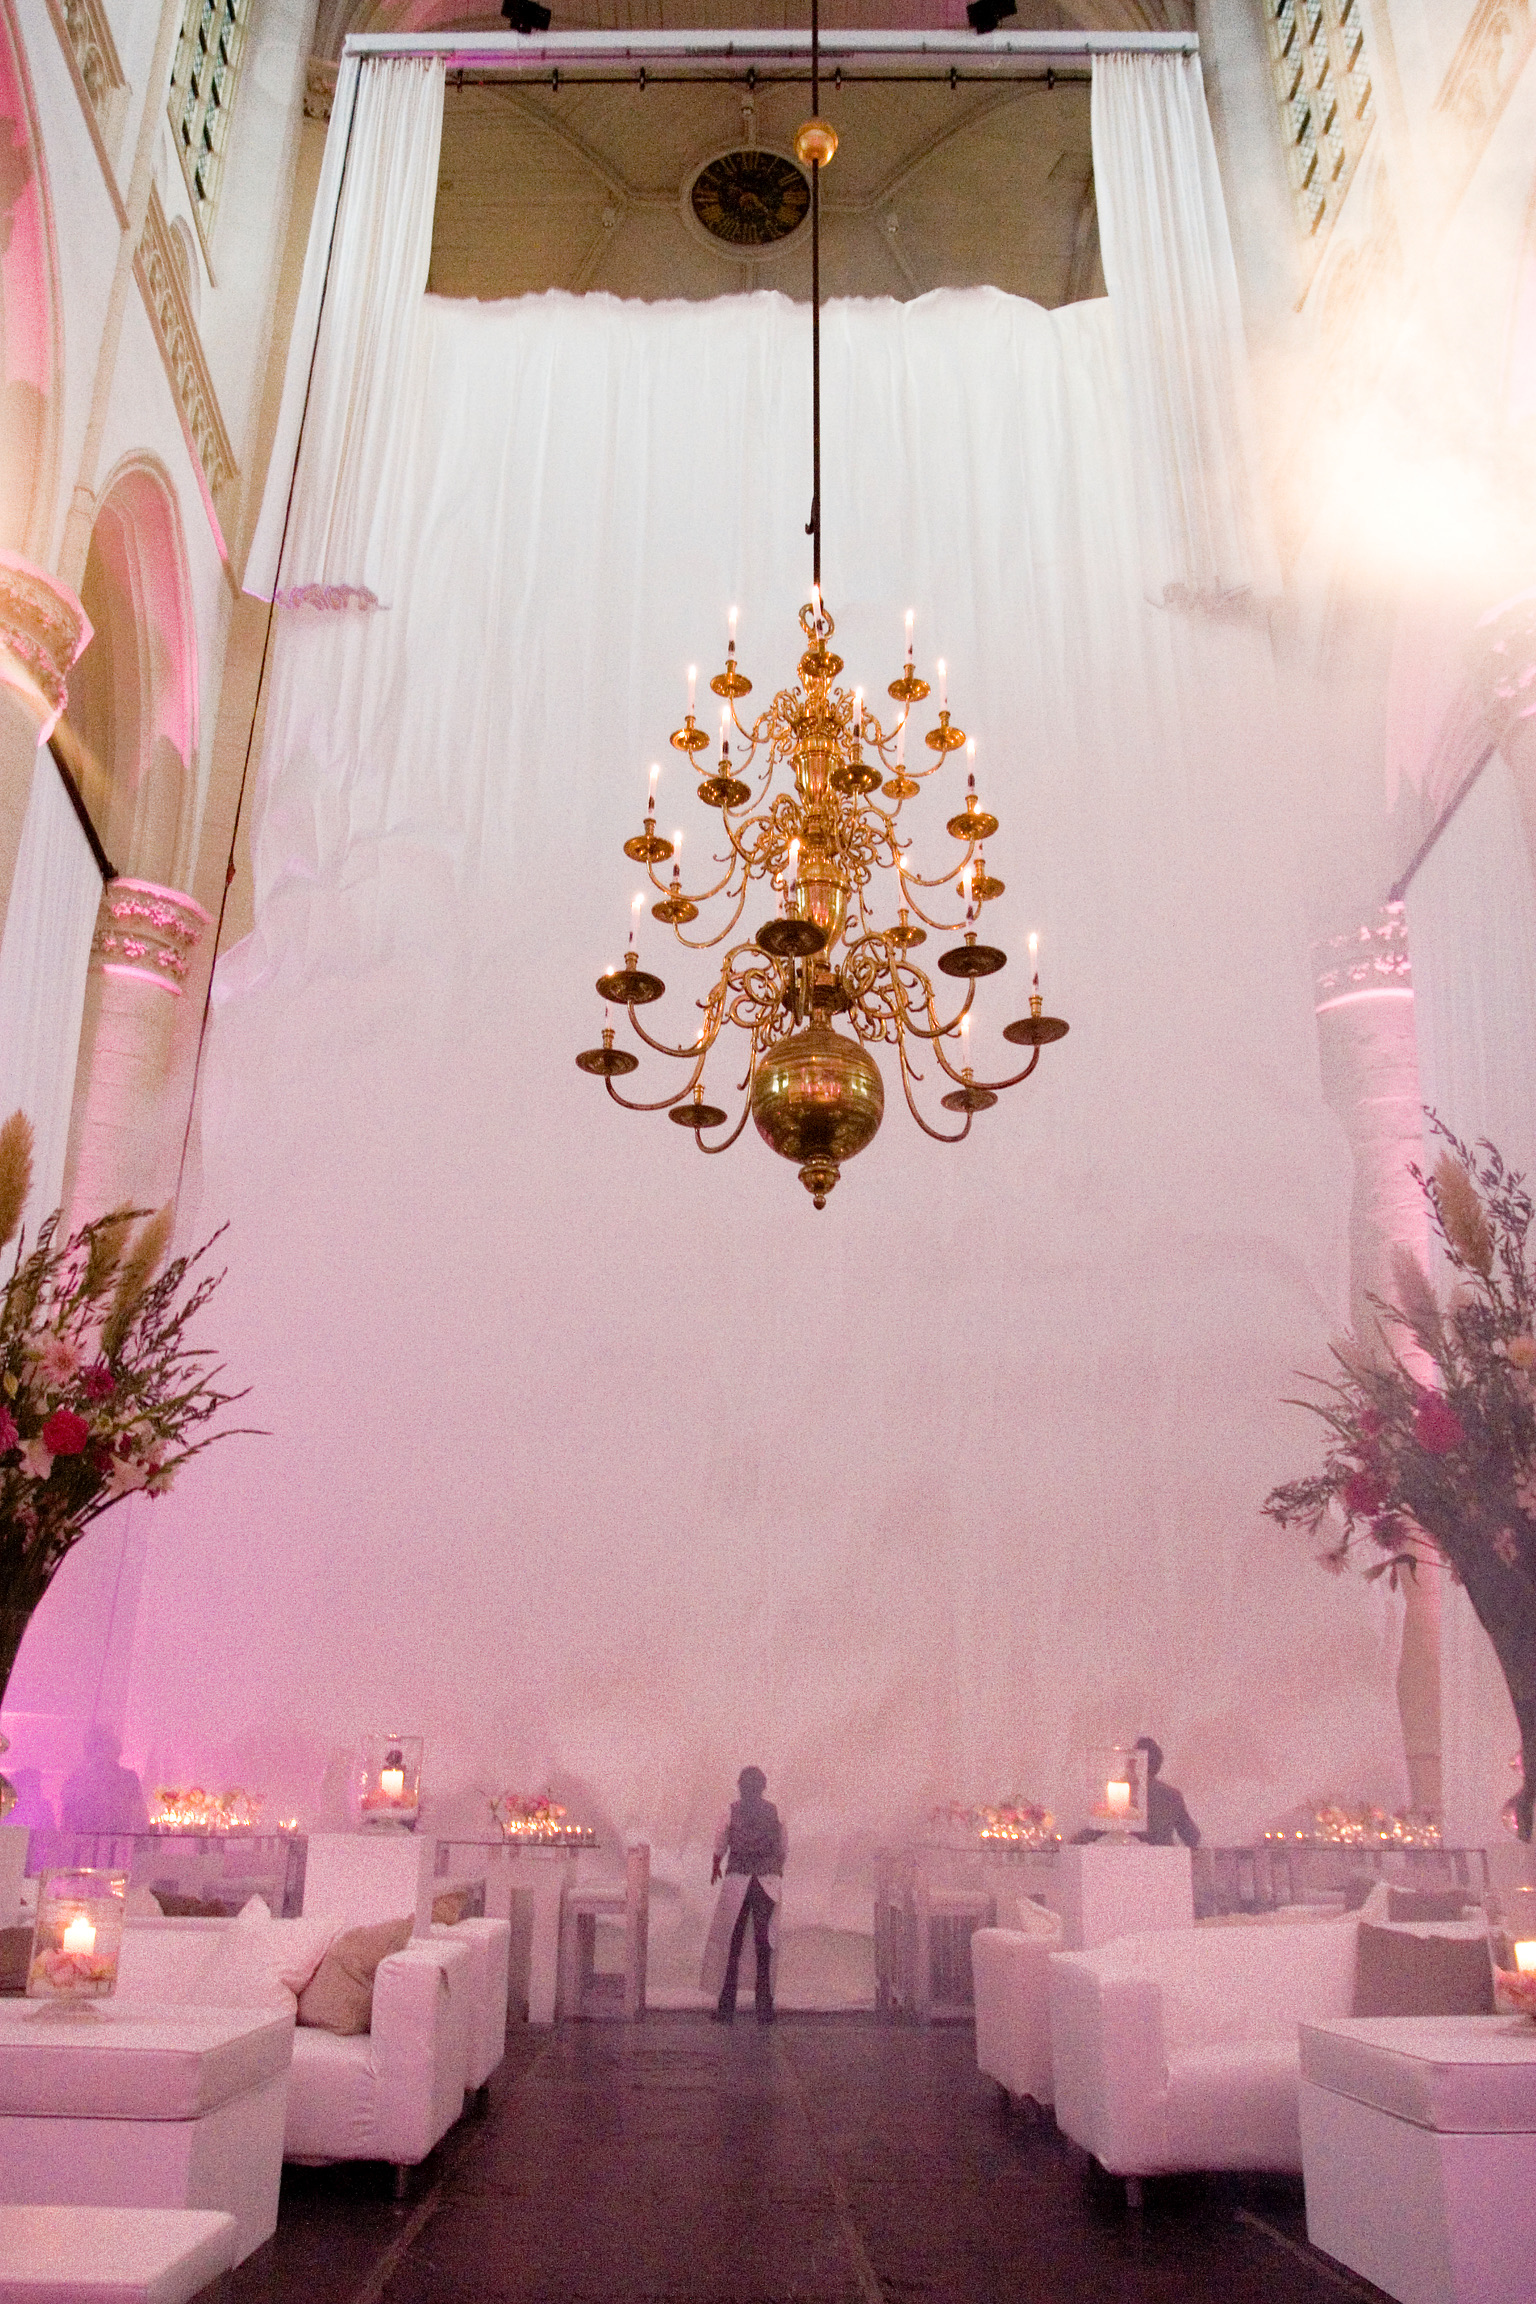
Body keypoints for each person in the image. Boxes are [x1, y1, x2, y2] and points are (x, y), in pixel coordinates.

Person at [701, 1765, 786, 2025]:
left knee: (733, 1944)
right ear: (763, 1787)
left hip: (737, 1881)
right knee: (763, 1945)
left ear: (740, 1786)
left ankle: (727, 2007)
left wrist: (716, 1864)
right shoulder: (773, 1812)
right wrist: (775, 1870)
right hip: (766, 1882)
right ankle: (764, 2008)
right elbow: (782, 1847)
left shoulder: (731, 1811)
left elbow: (720, 1841)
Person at [59, 1724, 149, 1835]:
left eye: (107, 1747)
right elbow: (66, 1823)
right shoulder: (76, 1780)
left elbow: (141, 1820)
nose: (103, 1754)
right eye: (98, 1748)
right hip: (86, 1842)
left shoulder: (129, 1779)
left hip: (120, 1842)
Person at [1134, 1736, 1200, 1849]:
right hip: (1164, 1857)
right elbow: (1192, 1837)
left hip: (1125, 1856)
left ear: (1134, 1762)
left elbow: (1101, 1832)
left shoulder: (1121, 1793)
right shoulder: (1172, 1796)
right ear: (1158, 1764)